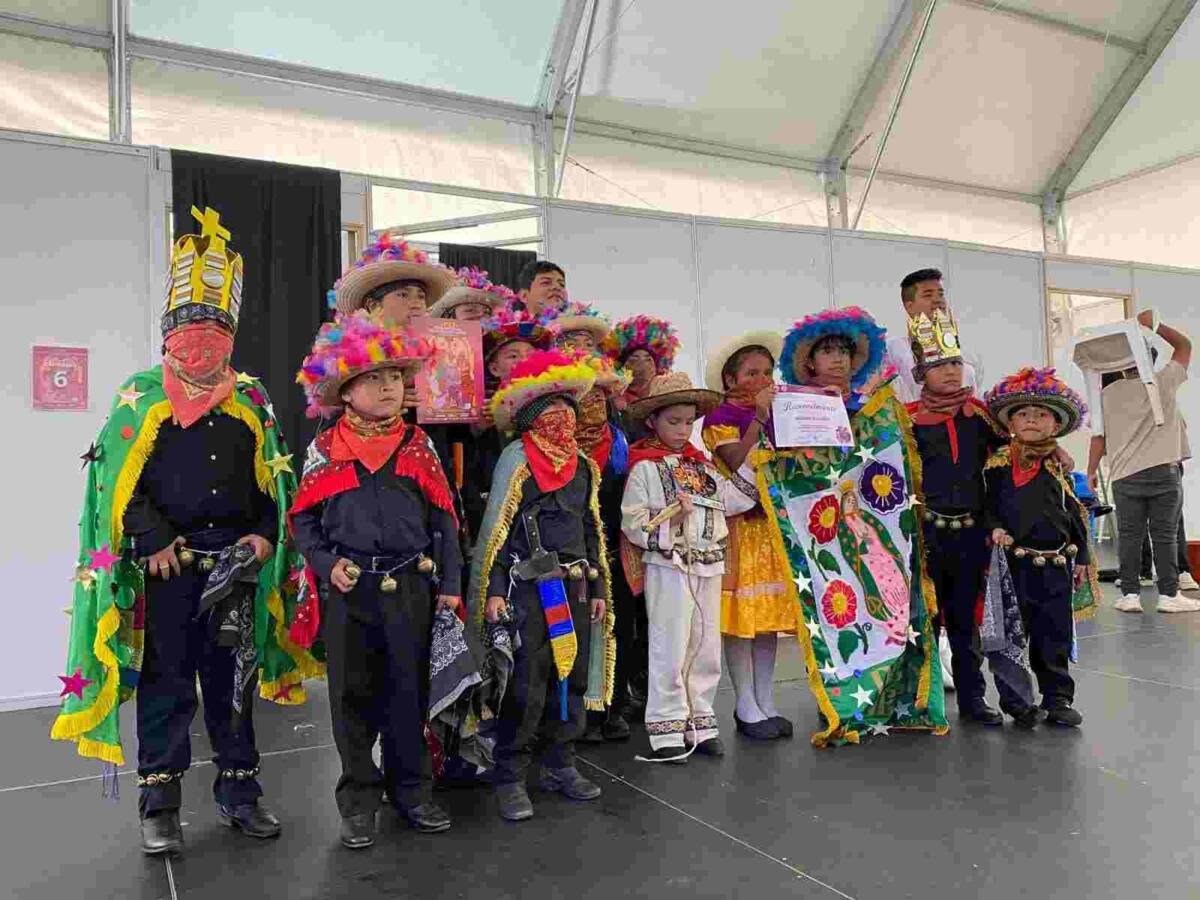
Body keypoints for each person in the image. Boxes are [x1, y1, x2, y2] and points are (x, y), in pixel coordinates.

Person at [52, 208, 322, 855]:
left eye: (214, 329)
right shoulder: (140, 398)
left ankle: (240, 793)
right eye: (190, 329)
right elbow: (118, 489)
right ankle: (160, 805)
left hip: (234, 574)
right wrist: (152, 540)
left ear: (231, 335)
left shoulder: (251, 401)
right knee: (166, 687)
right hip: (167, 577)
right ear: (168, 333)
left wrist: (262, 538)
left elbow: (275, 489)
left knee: (231, 687)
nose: (202, 342)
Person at [290, 312, 463, 849]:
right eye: (373, 379)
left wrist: (451, 586)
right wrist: (324, 563)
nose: (388, 387)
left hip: (412, 588)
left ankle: (411, 791)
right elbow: (302, 521)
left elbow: (446, 521)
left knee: (408, 694)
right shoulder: (324, 451)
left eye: (394, 378)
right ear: (345, 391)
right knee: (352, 697)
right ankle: (359, 799)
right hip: (350, 592)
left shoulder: (419, 446)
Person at [763, 307, 948, 745]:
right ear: (809, 362)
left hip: (881, 527)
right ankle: (849, 703)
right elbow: (785, 468)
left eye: (844, 351)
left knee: (892, 602)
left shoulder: (879, 409)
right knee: (844, 605)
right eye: (827, 352)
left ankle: (900, 700)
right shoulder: (796, 408)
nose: (838, 360)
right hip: (827, 531)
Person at [467, 350, 614, 822]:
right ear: (531, 423)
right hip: (528, 590)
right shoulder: (517, 461)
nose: (561, 426)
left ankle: (560, 763)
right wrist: (492, 590)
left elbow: (592, 530)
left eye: (566, 417)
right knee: (526, 684)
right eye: (550, 418)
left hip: (574, 589)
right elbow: (495, 533)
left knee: (569, 680)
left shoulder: (585, 468)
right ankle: (510, 773)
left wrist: (598, 591)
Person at [621, 372, 756, 761]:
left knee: (706, 645)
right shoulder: (644, 468)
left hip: (709, 567)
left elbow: (732, 500)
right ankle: (666, 728)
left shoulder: (705, 468)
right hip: (669, 565)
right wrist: (671, 522)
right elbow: (632, 522)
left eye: (688, 422)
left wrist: (753, 463)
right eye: (673, 422)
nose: (682, 430)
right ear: (653, 421)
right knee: (669, 644)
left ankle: (702, 721)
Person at [906, 310, 1007, 725]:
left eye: (954, 364)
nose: (949, 372)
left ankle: (973, 699)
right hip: (924, 534)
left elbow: (1009, 456)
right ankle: (922, 701)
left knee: (965, 620)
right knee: (923, 620)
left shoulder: (981, 416)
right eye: (938, 366)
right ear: (920, 373)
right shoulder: (905, 418)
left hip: (970, 533)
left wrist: (1052, 450)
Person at [984, 368, 1093, 726]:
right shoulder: (998, 464)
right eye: (1023, 414)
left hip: (1056, 567)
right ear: (1010, 422)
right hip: (1012, 566)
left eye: (1042, 414)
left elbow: (1076, 514)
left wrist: (1083, 558)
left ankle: (1058, 698)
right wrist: (995, 528)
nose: (1032, 419)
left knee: (1054, 634)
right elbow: (987, 505)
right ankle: (1017, 701)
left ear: (1056, 425)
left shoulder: (1061, 467)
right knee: (1010, 634)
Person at [701, 332, 795, 741]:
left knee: (768, 619)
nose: (761, 379)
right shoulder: (719, 418)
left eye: (767, 372)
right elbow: (734, 459)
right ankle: (743, 703)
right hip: (738, 527)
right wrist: (758, 417)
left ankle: (766, 699)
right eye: (751, 372)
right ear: (730, 378)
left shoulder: (783, 411)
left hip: (772, 527)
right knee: (740, 619)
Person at [547, 301, 634, 742]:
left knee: (616, 615)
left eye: (600, 396)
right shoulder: (556, 455)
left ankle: (610, 707)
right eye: (586, 397)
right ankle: (572, 717)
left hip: (613, 551)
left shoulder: (618, 448)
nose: (593, 405)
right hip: (569, 553)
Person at [1086, 312, 1199, 613]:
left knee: (1129, 535)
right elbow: (1185, 346)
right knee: (1164, 534)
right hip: (1163, 471)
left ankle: (1130, 595)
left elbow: (1098, 436)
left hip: (1124, 475)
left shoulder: (1107, 394)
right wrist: (1157, 324)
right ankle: (1169, 595)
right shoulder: (1163, 381)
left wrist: (1090, 471)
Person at [461, 308, 553, 538]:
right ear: (493, 368)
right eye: (512, 356)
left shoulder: (555, 406)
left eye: (530, 354)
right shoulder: (479, 409)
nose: (523, 361)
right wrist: (477, 431)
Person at [603, 314, 681, 408]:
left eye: (648, 359)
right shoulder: (612, 401)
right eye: (634, 358)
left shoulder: (665, 401)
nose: (641, 363)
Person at [427, 266, 513, 321]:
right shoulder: (433, 345)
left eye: (486, 312)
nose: (480, 315)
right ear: (449, 315)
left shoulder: (495, 345)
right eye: (470, 310)